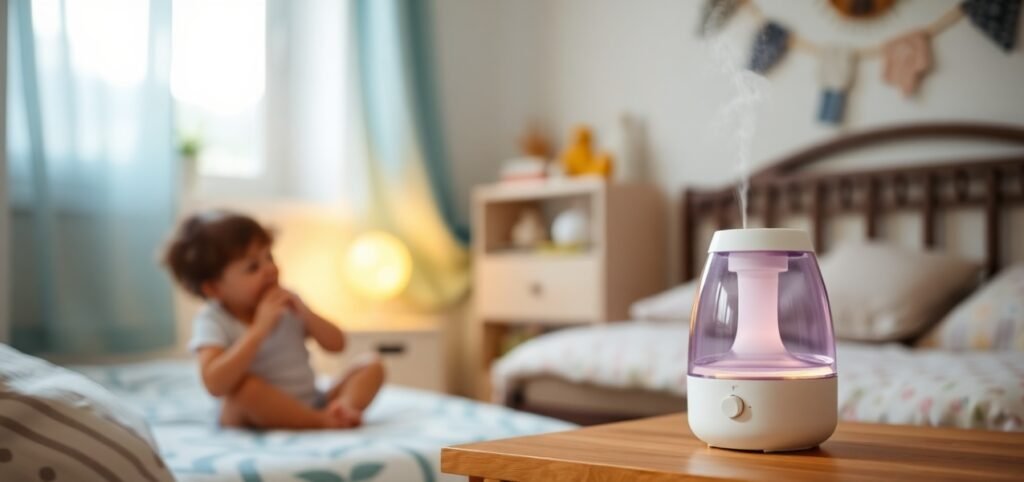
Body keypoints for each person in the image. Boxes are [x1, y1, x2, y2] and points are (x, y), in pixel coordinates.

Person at [162, 210, 384, 429]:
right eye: (253, 267)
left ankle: (340, 410)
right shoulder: (213, 320)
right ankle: (321, 421)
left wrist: (306, 313)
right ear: (214, 288)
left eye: (269, 256)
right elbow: (215, 384)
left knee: (372, 365)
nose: (269, 269)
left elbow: (337, 345)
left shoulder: (286, 306)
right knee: (246, 391)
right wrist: (259, 330)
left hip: (310, 401)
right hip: (252, 410)